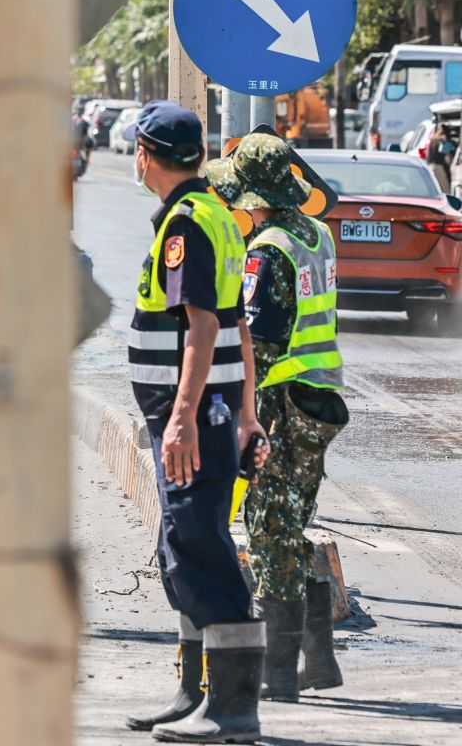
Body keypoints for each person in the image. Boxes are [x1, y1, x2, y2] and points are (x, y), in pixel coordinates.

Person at [120, 102, 268, 743]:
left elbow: (205, 326)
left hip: (194, 415)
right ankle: (194, 691)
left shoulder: (188, 224)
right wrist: (248, 414)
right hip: (211, 409)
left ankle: (232, 707)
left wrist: (183, 416)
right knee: (179, 545)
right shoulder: (215, 214)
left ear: (144, 156)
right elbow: (240, 327)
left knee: (197, 542)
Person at [207, 134, 349, 702]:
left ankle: (280, 674)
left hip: (280, 403)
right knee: (289, 526)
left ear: (252, 194)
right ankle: (319, 662)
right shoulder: (317, 233)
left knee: (268, 531)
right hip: (319, 400)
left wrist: (231, 407)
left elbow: (259, 344)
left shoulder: (268, 251)